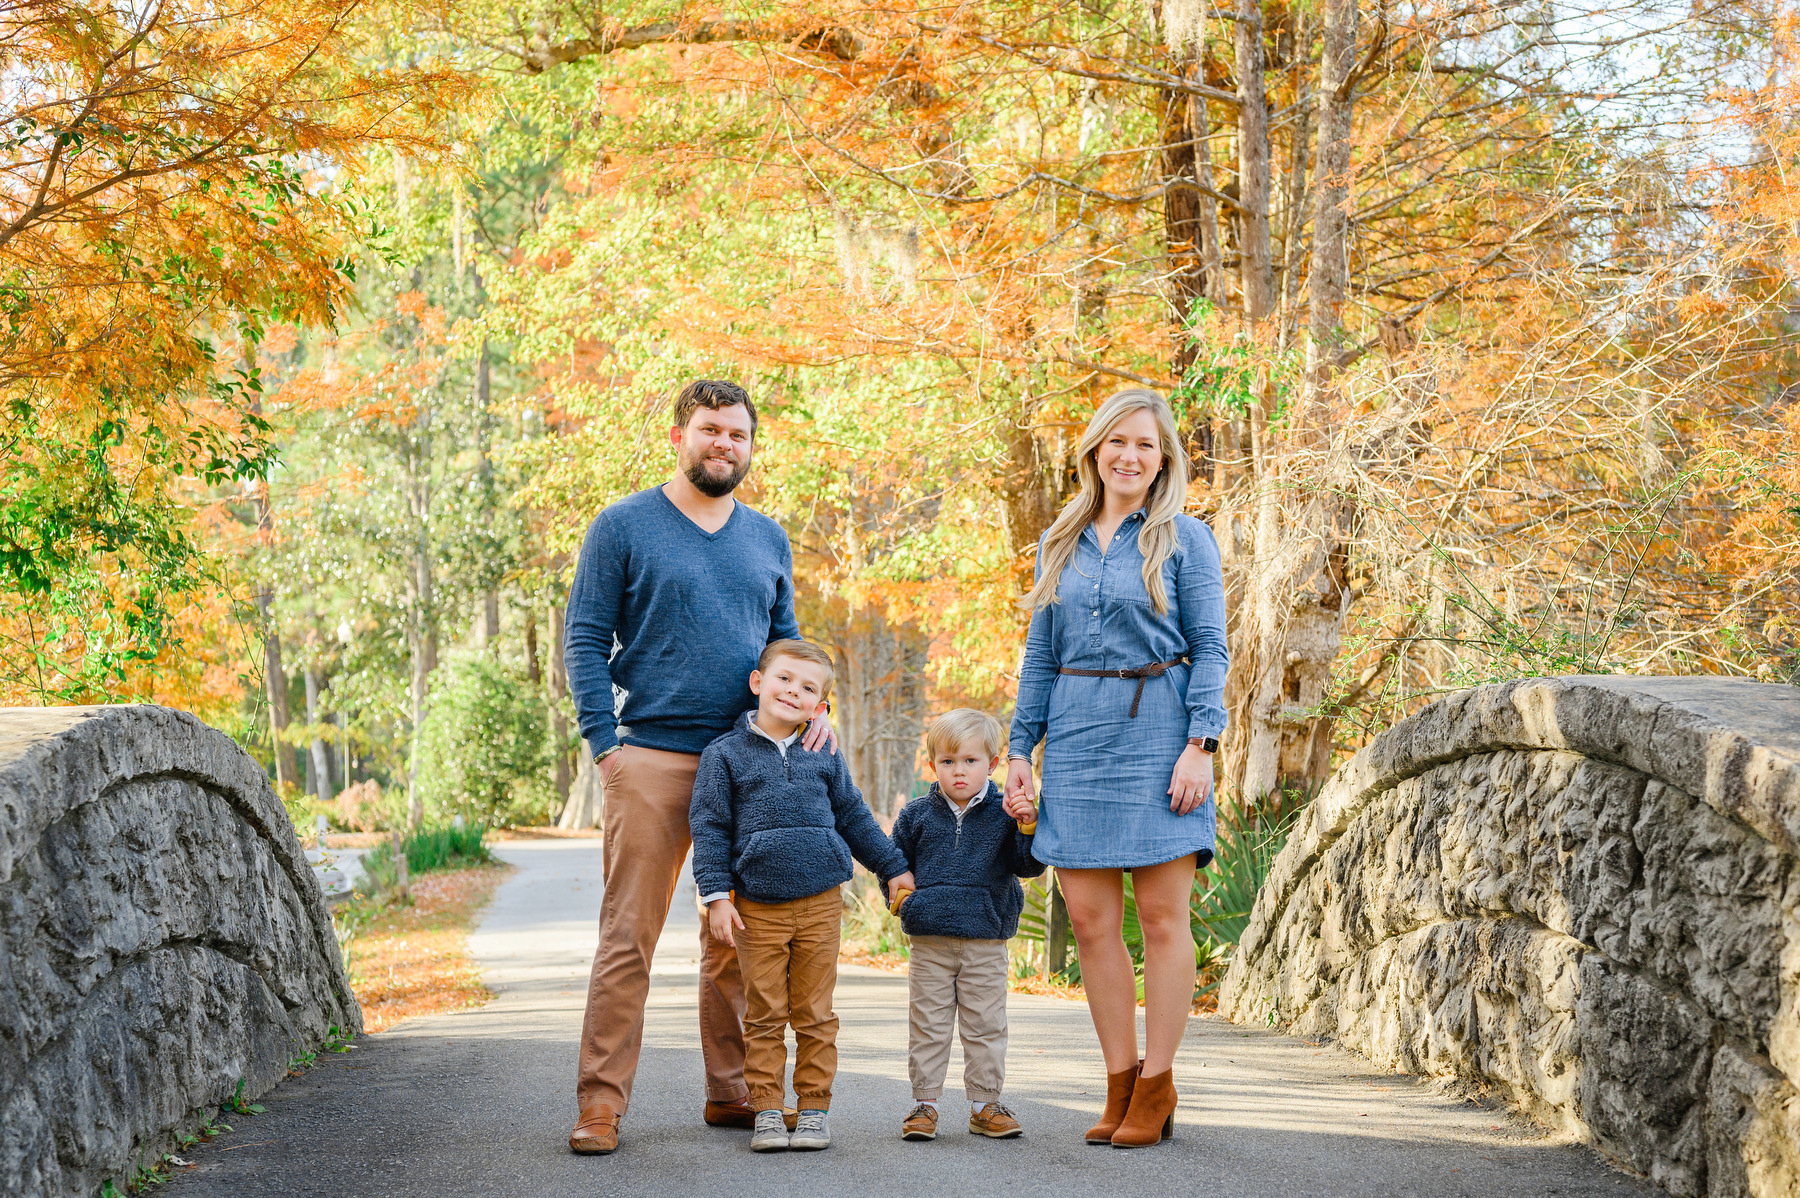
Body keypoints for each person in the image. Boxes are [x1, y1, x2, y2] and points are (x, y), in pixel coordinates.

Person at [563, 380, 836, 1155]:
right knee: (628, 941)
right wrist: (605, 747)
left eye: (738, 435)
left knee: (734, 942)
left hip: (750, 762)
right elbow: (584, 637)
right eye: (711, 430)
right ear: (679, 435)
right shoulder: (622, 526)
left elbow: (789, 647)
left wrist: (816, 715)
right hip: (650, 756)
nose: (724, 445)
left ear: (751, 447)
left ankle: (733, 1089)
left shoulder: (768, 538)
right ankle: (600, 1106)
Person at [1004, 387, 1229, 1149]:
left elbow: (1212, 648)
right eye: (1116, 442)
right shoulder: (1058, 540)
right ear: (1095, 451)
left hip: (1161, 733)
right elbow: (1040, 656)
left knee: (1163, 920)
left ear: (1163, 456)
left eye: (1145, 444)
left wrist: (1201, 744)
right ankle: (1120, 1080)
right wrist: (1018, 752)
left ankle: (1159, 1084)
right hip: (1075, 736)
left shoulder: (1185, 539)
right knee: (1094, 923)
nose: (1130, 456)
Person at [689, 640, 916, 1153]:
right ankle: (767, 1109)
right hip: (756, 909)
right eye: (784, 679)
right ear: (757, 683)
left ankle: (813, 1109)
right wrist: (716, 894)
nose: (793, 691)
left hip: (820, 903)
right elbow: (710, 827)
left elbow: (855, 816)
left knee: (815, 1013)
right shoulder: (723, 755)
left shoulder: (824, 752)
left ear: (820, 706)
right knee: (765, 1013)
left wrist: (893, 866)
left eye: (808, 688)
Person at [889, 708, 1045, 1143]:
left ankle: (984, 1104)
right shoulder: (916, 815)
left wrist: (1028, 824)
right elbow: (894, 863)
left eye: (970, 761)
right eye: (948, 761)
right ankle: (925, 1104)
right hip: (930, 941)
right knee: (928, 1025)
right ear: (933, 763)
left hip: (985, 940)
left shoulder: (1005, 813)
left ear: (992, 764)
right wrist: (901, 897)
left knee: (985, 1025)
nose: (959, 771)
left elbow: (1028, 865)